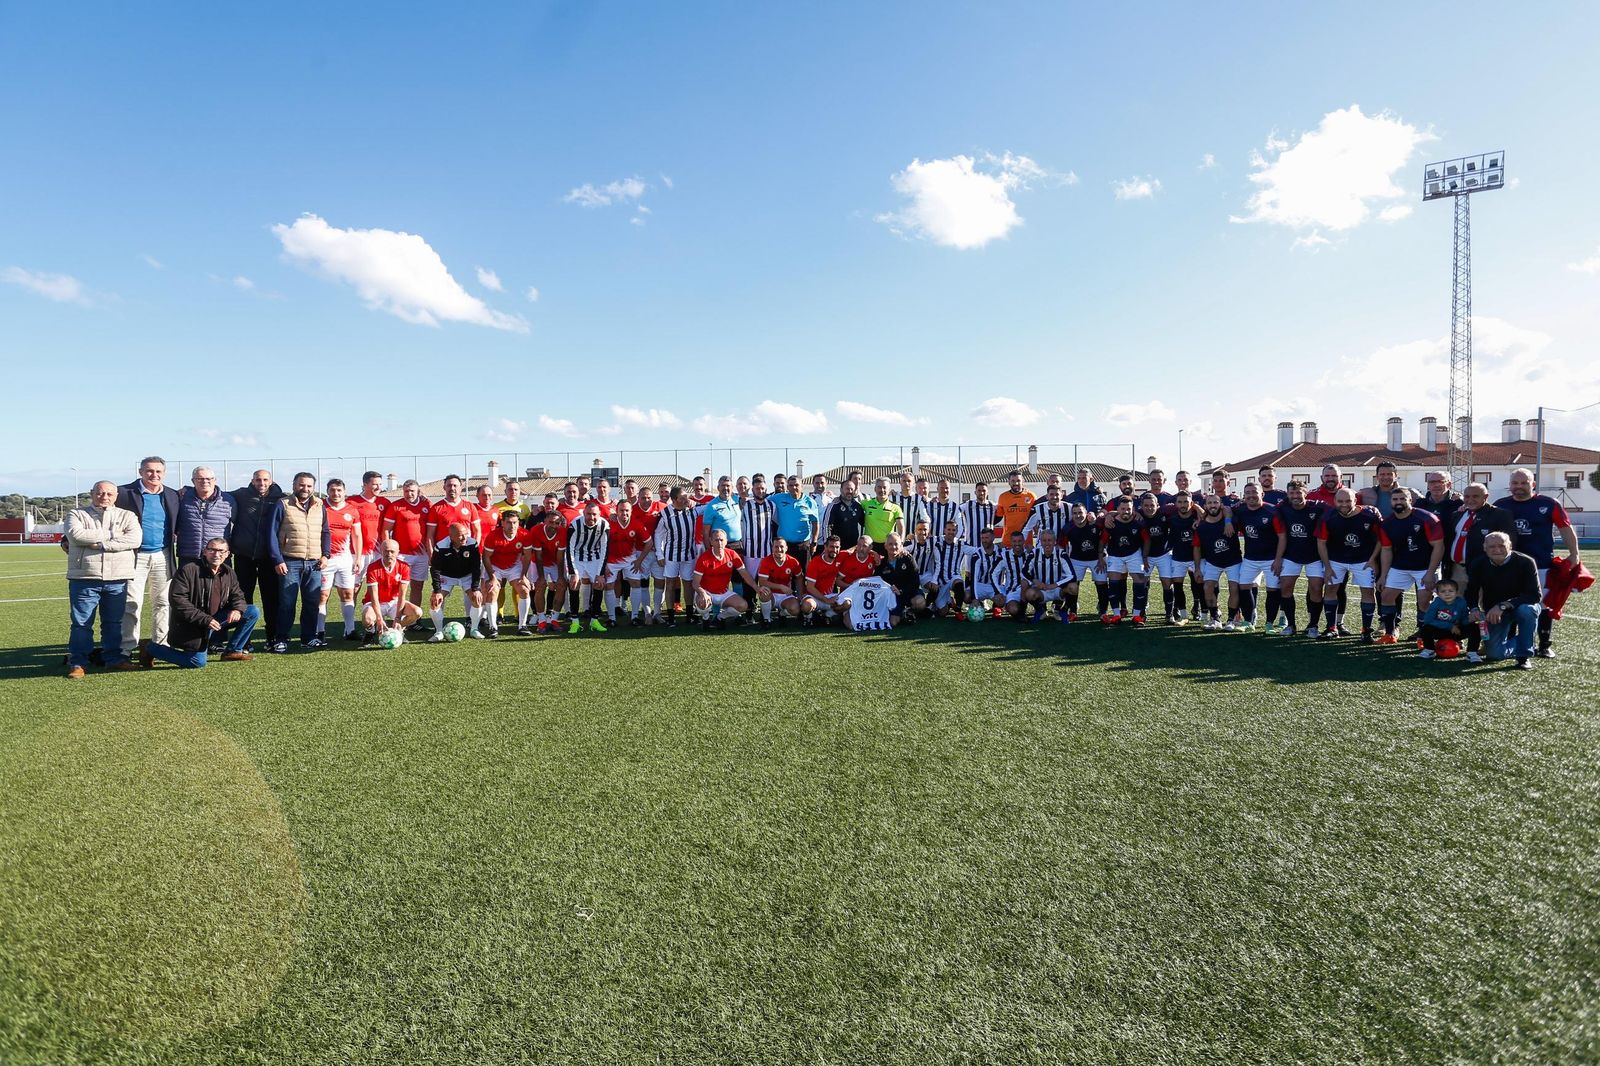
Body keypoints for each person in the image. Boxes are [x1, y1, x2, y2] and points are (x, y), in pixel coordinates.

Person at [1496, 468, 1581, 659]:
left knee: (1543, 604)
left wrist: (1574, 554)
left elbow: (1565, 529)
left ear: (1533, 484)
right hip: (1509, 564)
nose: (1519, 487)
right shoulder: (1500, 505)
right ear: (1509, 485)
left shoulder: (1548, 504)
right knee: (1510, 601)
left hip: (1540, 563)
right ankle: (1512, 642)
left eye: (1524, 483)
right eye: (1515, 483)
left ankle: (1544, 644)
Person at [138, 537, 258, 667]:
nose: (217, 555)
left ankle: (232, 651)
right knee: (197, 662)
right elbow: (178, 600)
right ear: (204, 551)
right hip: (193, 624)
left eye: (221, 551)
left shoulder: (228, 572)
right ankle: (150, 647)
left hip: (216, 620)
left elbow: (238, 596)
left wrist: (237, 609)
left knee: (252, 611)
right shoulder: (189, 570)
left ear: (227, 554)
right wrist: (205, 619)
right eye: (212, 550)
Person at [65, 480, 142, 677]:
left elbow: (134, 539)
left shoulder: (128, 515)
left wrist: (101, 544)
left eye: (109, 494)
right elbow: (76, 535)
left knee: (113, 623)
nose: (104, 497)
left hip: (118, 578)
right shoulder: (76, 514)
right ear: (92, 494)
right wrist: (113, 534)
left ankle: (114, 659)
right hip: (84, 577)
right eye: (100, 493)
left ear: (116, 496)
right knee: (81, 623)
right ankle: (78, 662)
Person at [115, 455, 181, 660]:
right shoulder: (124, 493)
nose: (154, 475)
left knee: (163, 602)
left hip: (163, 555)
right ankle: (126, 648)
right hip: (134, 557)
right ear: (141, 472)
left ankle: (161, 645)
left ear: (164, 473)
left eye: (158, 471)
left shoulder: (172, 495)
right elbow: (101, 509)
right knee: (131, 602)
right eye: (149, 471)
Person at [266, 471, 331, 652]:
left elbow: (326, 532)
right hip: (290, 562)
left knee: (312, 602)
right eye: (302, 485)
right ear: (294, 485)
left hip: (314, 563)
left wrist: (326, 555)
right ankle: (282, 639)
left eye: (309, 486)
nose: (305, 488)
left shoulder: (320, 505)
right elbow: (271, 533)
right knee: (287, 603)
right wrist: (277, 559)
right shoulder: (283, 504)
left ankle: (308, 637)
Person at [1376, 487, 1444, 644]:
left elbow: (1439, 546)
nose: (1398, 502)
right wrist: (1383, 575)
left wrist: (1430, 572)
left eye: (1402, 499)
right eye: (1395, 499)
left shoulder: (1427, 519)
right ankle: (1390, 633)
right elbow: (1386, 550)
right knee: (1386, 596)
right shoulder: (1387, 523)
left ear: (1410, 501)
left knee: (1424, 600)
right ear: (1391, 502)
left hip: (1425, 567)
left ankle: (1423, 636)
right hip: (1400, 566)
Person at [1466, 532, 1542, 669]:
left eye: (1501, 546)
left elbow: (1535, 596)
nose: (1497, 550)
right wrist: (1474, 608)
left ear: (1510, 546)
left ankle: (1523, 656)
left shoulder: (1525, 562)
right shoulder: (1478, 563)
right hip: (1494, 612)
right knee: (1494, 655)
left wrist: (1503, 605)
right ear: (1484, 548)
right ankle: (1522, 642)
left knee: (1528, 610)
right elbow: (1471, 591)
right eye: (1492, 546)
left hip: (1519, 606)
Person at [228, 468, 286, 648]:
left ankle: (272, 637)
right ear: (252, 481)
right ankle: (245, 640)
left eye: (265, 480)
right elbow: (215, 492)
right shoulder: (241, 495)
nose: (261, 483)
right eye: (258, 480)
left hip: (269, 556)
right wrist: (186, 489)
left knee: (271, 598)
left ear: (271, 481)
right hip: (244, 555)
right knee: (243, 597)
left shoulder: (280, 498)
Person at [1315, 488, 1382, 642]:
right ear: (1334, 501)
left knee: (1367, 592)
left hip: (1364, 560)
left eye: (1348, 501)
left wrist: (1373, 559)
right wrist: (1327, 566)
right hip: (1336, 559)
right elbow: (1321, 542)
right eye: (1340, 501)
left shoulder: (1370, 514)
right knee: (1331, 589)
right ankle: (1332, 628)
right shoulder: (1328, 517)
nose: (1344, 504)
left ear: (1355, 500)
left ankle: (1366, 631)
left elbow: (1381, 539)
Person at [1271, 480, 1327, 637]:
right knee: (1286, 587)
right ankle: (1291, 625)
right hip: (1291, 555)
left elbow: (1337, 511)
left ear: (1306, 492)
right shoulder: (1282, 507)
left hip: (1315, 556)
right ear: (1287, 494)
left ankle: (1313, 625)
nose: (1295, 496)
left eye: (1298, 492)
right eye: (1292, 493)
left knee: (1316, 589)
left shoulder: (1318, 507)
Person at [318, 478, 365, 642]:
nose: (336, 493)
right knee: (322, 595)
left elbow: (357, 535)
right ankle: (320, 631)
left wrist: (358, 558)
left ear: (344, 492)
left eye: (339, 490)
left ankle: (350, 630)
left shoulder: (352, 510)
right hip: (324, 559)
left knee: (348, 594)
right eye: (332, 490)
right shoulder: (319, 506)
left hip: (345, 559)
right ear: (327, 491)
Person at [1444, 482, 1515, 587]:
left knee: (1484, 603)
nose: (1470, 500)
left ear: (1486, 497)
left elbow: (1509, 544)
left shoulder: (1500, 515)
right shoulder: (1457, 514)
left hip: (1485, 571)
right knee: (1458, 603)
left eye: (1475, 496)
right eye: (1467, 496)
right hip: (1457, 570)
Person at [1231, 482, 1278, 630]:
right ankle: (1248, 622)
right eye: (1248, 493)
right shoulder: (1240, 510)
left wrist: (1279, 558)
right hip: (1250, 558)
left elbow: (1282, 536)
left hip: (1271, 558)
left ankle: (1269, 624)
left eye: (1254, 492)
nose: (1251, 495)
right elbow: (1224, 510)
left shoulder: (1272, 511)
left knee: (1272, 590)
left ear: (1262, 494)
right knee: (1244, 587)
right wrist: (1227, 521)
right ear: (1243, 496)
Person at [691, 528, 758, 630]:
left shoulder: (732, 554)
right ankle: (705, 618)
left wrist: (757, 588)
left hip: (723, 593)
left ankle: (720, 618)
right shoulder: (704, 557)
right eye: (716, 540)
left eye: (722, 540)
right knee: (702, 602)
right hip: (707, 592)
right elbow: (695, 583)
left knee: (743, 605)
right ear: (711, 541)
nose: (719, 543)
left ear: (726, 541)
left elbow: (745, 575)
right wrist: (703, 593)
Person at [1194, 493, 1243, 630]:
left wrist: (1228, 521)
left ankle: (1231, 620)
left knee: (1234, 588)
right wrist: (1197, 568)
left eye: (1215, 502)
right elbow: (1197, 548)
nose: (1212, 506)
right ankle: (1215, 619)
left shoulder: (1231, 520)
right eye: (1209, 503)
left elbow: (1241, 504)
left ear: (1221, 505)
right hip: (1213, 562)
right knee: (1207, 587)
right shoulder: (1201, 526)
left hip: (1233, 561)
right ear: (1205, 506)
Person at [362, 539, 424, 640]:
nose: (389, 554)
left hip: (394, 602)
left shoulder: (404, 567)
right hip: (376, 602)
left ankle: (398, 629)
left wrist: (398, 618)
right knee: (367, 619)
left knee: (417, 612)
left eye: (392, 551)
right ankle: (371, 631)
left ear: (398, 552)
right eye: (386, 551)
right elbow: (374, 597)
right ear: (381, 551)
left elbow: (402, 595)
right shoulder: (372, 568)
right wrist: (379, 618)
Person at [1100, 497, 1149, 624]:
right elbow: (1103, 540)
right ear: (1117, 510)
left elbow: (1147, 540)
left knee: (1140, 581)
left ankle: (1137, 615)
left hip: (1134, 554)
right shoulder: (1111, 522)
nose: (1126, 511)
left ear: (1132, 509)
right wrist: (1100, 557)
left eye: (1128, 509)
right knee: (1114, 583)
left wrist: (1144, 557)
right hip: (1115, 555)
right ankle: (1116, 615)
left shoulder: (1138, 522)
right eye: (1122, 509)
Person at [384, 480, 433, 608]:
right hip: (401, 555)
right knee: (399, 587)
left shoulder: (427, 504)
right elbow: (386, 529)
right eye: (406, 491)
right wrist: (387, 549)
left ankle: (414, 620)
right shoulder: (395, 506)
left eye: (412, 491)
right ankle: (397, 616)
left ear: (418, 491)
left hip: (422, 555)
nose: (409, 494)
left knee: (417, 586)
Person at [565, 499, 611, 633]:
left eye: (594, 514)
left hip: (595, 558)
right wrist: (573, 572)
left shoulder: (604, 525)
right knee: (574, 585)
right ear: (584, 513)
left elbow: (604, 549)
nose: (592, 517)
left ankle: (594, 620)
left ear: (599, 514)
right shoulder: (574, 525)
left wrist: (600, 573)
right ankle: (574, 621)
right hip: (577, 557)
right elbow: (570, 549)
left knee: (599, 584)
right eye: (589, 514)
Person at [174, 466, 234, 569]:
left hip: (218, 556)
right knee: (188, 585)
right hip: (189, 555)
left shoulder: (228, 501)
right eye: (200, 478)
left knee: (218, 585)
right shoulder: (182, 498)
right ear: (193, 481)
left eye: (209, 478)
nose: (205, 481)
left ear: (214, 480)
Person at [604, 498, 652, 625]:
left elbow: (649, 543)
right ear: (616, 511)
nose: (624, 513)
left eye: (626, 511)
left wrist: (639, 561)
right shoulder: (609, 524)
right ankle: (611, 618)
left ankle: (634, 617)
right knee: (609, 586)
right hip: (611, 560)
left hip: (630, 559)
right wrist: (604, 565)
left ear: (631, 512)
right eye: (621, 511)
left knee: (636, 583)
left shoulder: (637, 524)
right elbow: (601, 545)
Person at [475, 515, 523, 637]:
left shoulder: (524, 534)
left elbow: (527, 556)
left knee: (523, 588)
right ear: (502, 523)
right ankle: (493, 627)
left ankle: (522, 626)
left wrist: (524, 576)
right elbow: (486, 557)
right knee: (492, 590)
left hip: (514, 566)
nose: (512, 525)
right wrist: (492, 577)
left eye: (514, 522)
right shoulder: (493, 535)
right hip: (495, 566)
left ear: (518, 523)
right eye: (508, 522)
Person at [525, 506, 569, 633]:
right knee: (540, 586)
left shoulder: (562, 532)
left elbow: (560, 557)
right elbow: (538, 556)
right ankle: (542, 621)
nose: (553, 525)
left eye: (557, 523)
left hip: (555, 562)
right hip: (538, 562)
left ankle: (554, 619)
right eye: (551, 522)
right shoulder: (536, 530)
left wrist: (561, 577)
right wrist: (542, 577)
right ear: (544, 521)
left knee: (561, 585)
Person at [1416, 579, 1482, 663]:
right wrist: (1450, 626)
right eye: (1443, 591)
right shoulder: (1436, 603)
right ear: (1438, 593)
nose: (1447, 594)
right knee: (1425, 628)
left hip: (1456, 631)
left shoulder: (1462, 603)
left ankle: (1472, 653)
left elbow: (1464, 620)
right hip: (1440, 631)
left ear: (1457, 592)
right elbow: (1428, 620)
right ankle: (1429, 650)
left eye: (1451, 591)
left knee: (1475, 627)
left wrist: (1470, 619)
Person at [1062, 502, 1106, 620]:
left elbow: (1104, 537)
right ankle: (1073, 611)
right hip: (1077, 559)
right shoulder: (1068, 528)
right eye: (1075, 513)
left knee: (1101, 583)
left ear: (1086, 513)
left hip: (1097, 558)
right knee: (1073, 584)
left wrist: (1102, 556)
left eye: (1080, 512)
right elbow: (1062, 546)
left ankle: (1103, 612)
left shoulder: (1096, 523)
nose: (1078, 515)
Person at [755, 537, 809, 627]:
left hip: (786, 596)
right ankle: (766, 619)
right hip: (771, 595)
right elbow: (762, 582)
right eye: (776, 547)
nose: (779, 549)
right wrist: (780, 586)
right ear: (772, 548)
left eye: (781, 547)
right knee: (763, 592)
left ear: (786, 548)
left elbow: (799, 578)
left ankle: (782, 614)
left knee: (795, 610)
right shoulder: (766, 561)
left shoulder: (793, 561)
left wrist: (800, 595)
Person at [771, 475, 821, 570]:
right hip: (784, 545)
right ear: (787, 487)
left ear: (802, 486)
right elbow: (762, 501)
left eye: (796, 485)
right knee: (784, 573)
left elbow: (815, 523)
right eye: (791, 485)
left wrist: (814, 542)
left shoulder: (810, 502)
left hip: (803, 545)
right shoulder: (778, 498)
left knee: (802, 574)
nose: (794, 487)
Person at [875, 531, 925, 626]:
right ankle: (904, 613)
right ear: (885, 546)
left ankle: (910, 610)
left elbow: (915, 582)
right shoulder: (881, 563)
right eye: (890, 544)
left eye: (896, 544)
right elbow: (877, 583)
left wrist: (901, 591)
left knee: (919, 602)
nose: (893, 547)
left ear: (901, 545)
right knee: (893, 622)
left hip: (908, 593)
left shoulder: (908, 558)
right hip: (893, 597)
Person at [803, 534, 851, 626]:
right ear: (825, 547)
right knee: (807, 606)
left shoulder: (840, 556)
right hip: (814, 596)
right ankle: (808, 618)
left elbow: (855, 548)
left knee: (847, 603)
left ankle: (827, 615)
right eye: (831, 547)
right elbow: (810, 587)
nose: (834, 550)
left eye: (837, 547)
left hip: (829, 595)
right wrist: (825, 600)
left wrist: (874, 553)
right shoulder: (815, 562)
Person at [994, 470, 1036, 544]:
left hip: (1026, 541)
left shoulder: (1031, 496)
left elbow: (1036, 517)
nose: (1016, 483)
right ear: (1009, 482)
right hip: (1008, 541)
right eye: (1013, 481)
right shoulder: (1003, 497)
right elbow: (998, 516)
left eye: (1018, 480)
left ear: (1023, 481)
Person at [825, 479, 868, 553]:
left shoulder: (858, 506)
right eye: (847, 489)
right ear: (841, 490)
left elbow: (865, 523)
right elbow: (827, 526)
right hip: (837, 548)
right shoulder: (833, 505)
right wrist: (827, 545)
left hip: (853, 548)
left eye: (852, 489)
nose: (850, 491)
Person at [862, 478, 905, 547]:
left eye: (884, 487)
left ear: (889, 490)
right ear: (875, 489)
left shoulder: (896, 507)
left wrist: (901, 544)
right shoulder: (866, 503)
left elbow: (901, 528)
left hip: (888, 546)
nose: (882, 490)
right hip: (869, 546)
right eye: (879, 487)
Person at [926, 478, 964, 543]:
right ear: (937, 489)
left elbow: (960, 527)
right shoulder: (929, 505)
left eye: (947, 488)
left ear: (950, 489)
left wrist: (955, 540)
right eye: (942, 488)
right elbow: (925, 523)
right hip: (932, 543)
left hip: (949, 543)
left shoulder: (955, 507)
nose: (944, 490)